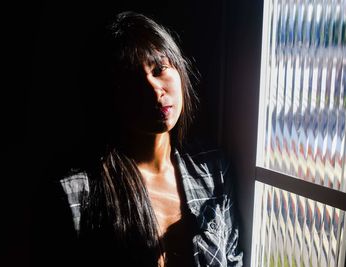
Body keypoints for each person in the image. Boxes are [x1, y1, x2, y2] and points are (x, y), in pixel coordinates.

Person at [53, 11, 243, 267]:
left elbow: (233, 259)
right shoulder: (78, 191)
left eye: (159, 68)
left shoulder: (212, 169)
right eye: (132, 79)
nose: (154, 88)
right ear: (111, 95)